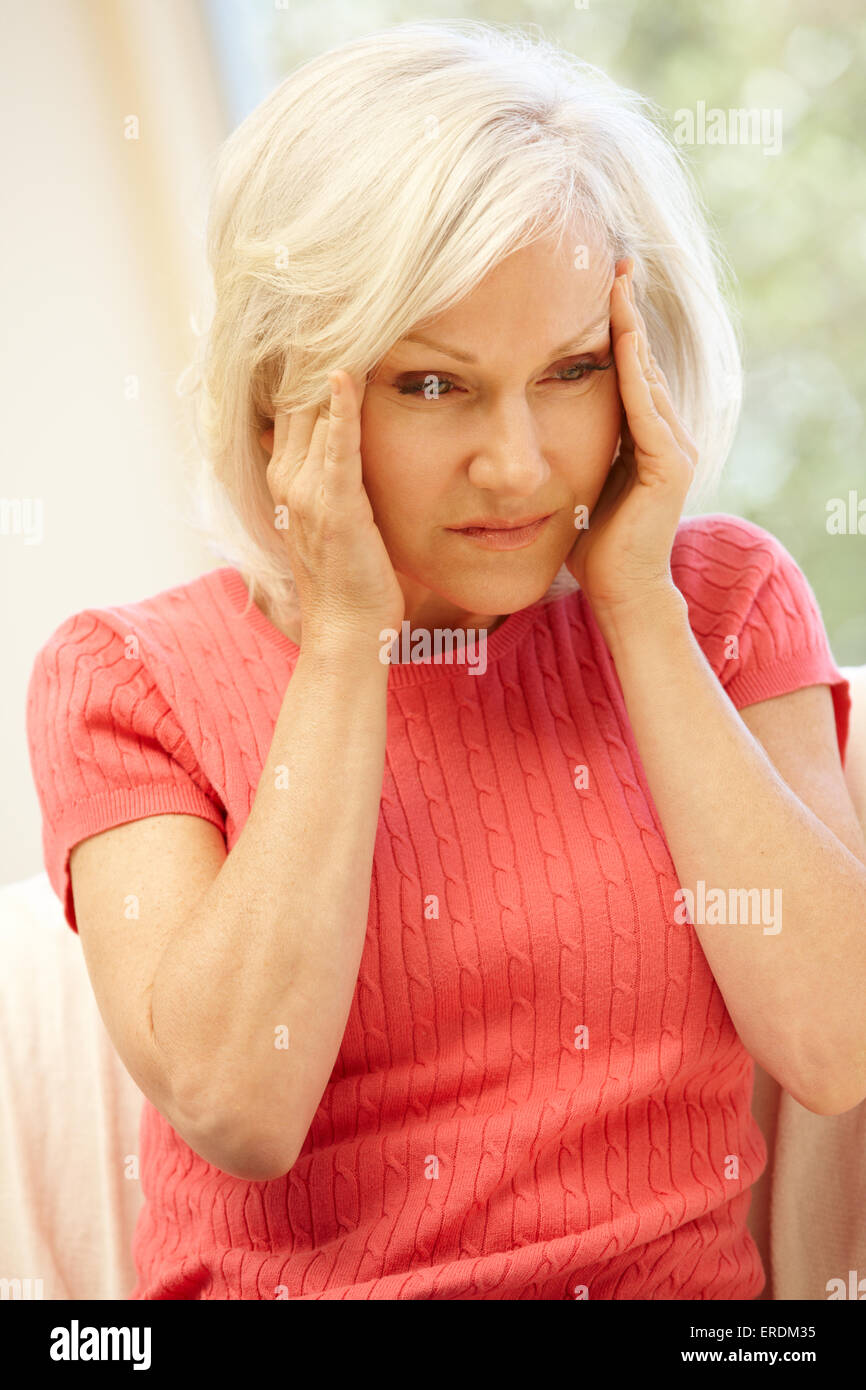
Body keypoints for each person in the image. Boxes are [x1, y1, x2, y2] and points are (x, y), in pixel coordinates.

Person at [25, 19, 866, 1301]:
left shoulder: (723, 605)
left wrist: (636, 606)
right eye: (434, 386)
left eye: (571, 370)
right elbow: (239, 1103)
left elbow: (835, 1040)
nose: (519, 464)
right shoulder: (125, 681)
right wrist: (348, 638)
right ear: (287, 395)